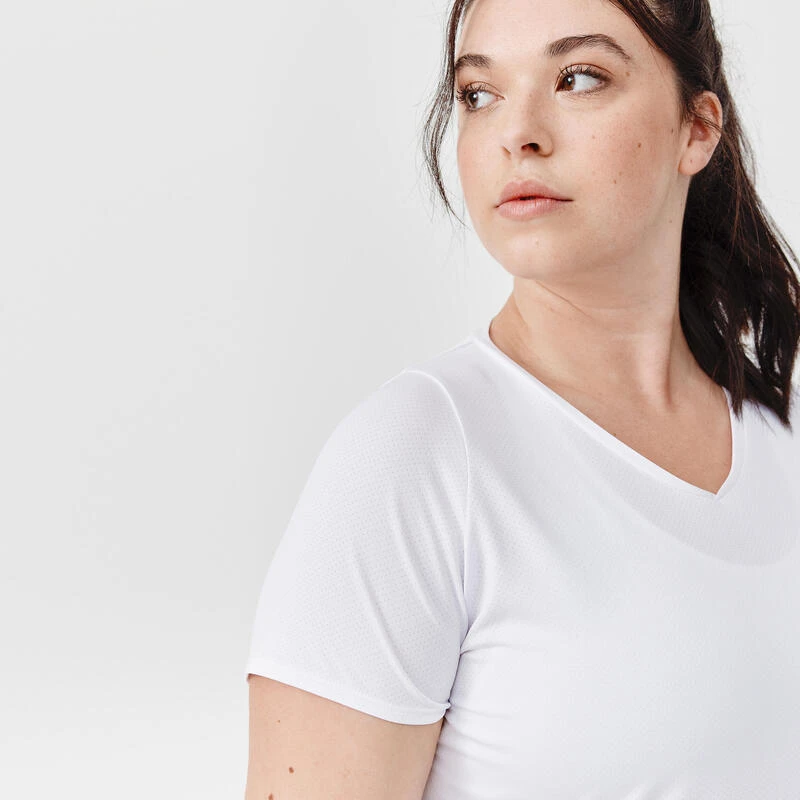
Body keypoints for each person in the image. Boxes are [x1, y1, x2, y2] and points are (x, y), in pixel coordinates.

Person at [244, 0, 800, 797]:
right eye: (479, 94)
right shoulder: (415, 459)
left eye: (579, 78)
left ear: (697, 128)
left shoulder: (782, 437)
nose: (519, 133)